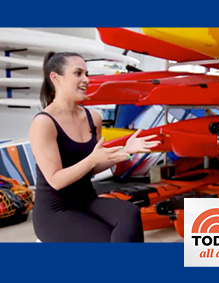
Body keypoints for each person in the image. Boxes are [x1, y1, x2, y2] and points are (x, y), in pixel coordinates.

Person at [29, 51, 161, 242]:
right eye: (78, 73)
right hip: (56, 210)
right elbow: (56, 180)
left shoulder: (93, 118)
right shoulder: (44, 123)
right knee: (108, 238)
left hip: (86, 200)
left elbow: (91, 168)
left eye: (87, 74)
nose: (86, 80)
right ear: (55, 78)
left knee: (129, 213)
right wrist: (92, 159)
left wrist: (127, 151)